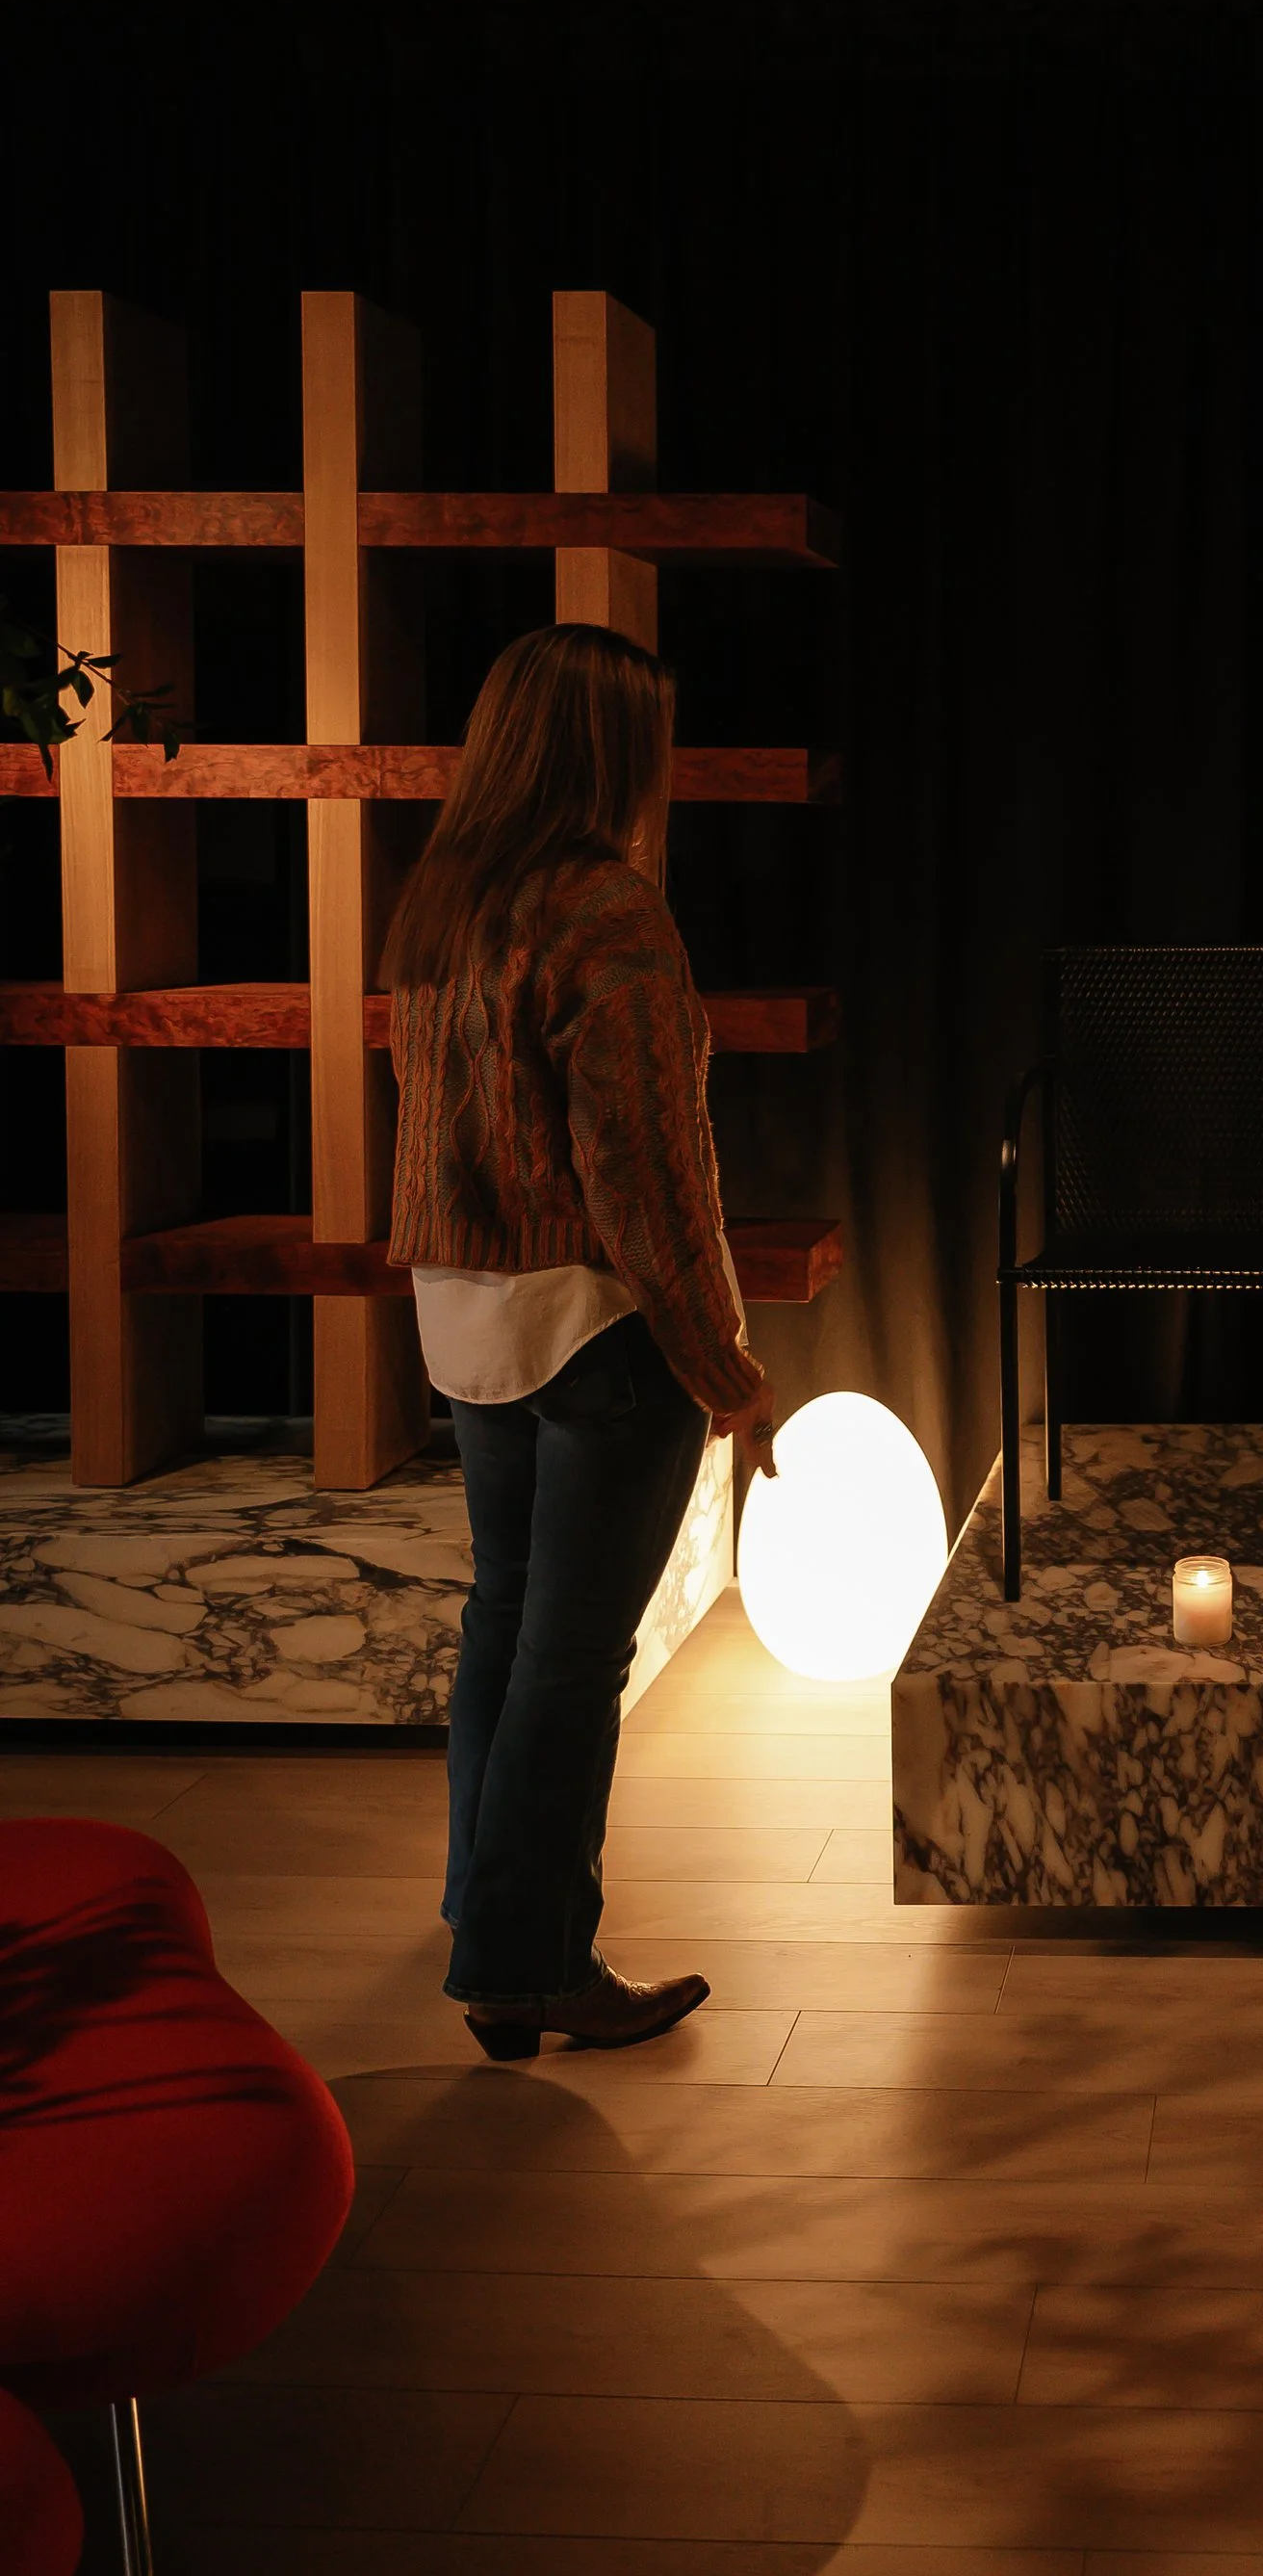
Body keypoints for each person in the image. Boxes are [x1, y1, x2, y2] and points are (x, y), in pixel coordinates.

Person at [384, 622, 778, 2061]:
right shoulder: (608, 913)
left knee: (504, 1621)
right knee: (567, 1659)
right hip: (602, 1334)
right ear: (612, 753)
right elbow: (645, 1176)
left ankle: (484, 1908)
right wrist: (724, 1367)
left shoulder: (443, 899)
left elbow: (432, 1139)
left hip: (471, 1315)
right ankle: (529, 1961)